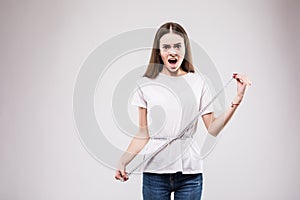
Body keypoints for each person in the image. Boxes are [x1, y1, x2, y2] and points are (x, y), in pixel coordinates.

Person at [114, 22, 251, 200]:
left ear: (185, 49)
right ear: (158, 50)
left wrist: (237, 99)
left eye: (178, 46)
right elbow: (143, 133)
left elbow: (213, 129)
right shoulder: (144, 84)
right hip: (155, 173)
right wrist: (123, 161)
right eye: (166, 47)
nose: (172, 51)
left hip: (190, 174)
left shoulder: (199, 82)